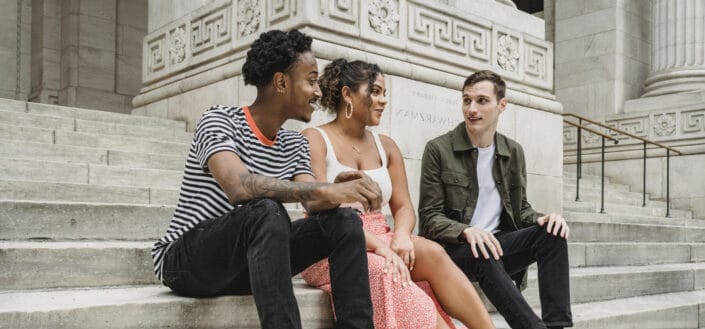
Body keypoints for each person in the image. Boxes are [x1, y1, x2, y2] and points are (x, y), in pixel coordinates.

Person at [151, 29, 382, 329]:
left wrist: (338, 191)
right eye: (311, 81)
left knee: (346, 221)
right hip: (187, 263)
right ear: (281, 82)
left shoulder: (295, 143)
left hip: (246, 267)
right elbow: (239, 186)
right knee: (266, 210)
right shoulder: (219, 120)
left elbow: (312, 200)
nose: (318, 92)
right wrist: (324, 189)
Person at [300, 59, 496, 329]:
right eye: (376, 92)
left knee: (432, 251)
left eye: (385, 94)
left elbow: (403, 207)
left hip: (383, 233)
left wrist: (401, 236)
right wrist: (380, 247)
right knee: (387, 270)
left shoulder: (387, 146)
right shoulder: (314, 137)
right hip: (331, 243)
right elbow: (314, 204)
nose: (383, 101)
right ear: (347, 94)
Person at [418, 70, 573, 329]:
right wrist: (467, 231)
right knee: (484, 248)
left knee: (553, 235)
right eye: (466, 100)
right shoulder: (438, 149)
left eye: (481, 100)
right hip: (452, 251)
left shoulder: (513, 152)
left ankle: (558, 326)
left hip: (496, 245)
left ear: (502, 105)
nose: (472, 109)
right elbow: (430, 217)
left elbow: (521, 210)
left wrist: (543, 219)